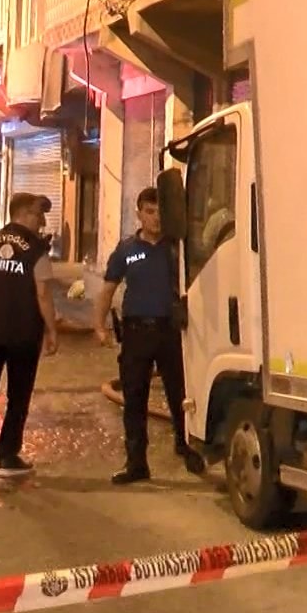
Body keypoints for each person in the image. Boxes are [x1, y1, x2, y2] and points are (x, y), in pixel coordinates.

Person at [95, 187, 206, 484]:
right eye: (149, 211)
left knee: (181, 395)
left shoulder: (178, 249)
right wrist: (99, 326)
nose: (155, 218)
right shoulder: (126, 250)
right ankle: (136, 463)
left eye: (160, 212)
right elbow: (108, 289)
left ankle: (186, 447)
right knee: (134, 398)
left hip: (172, 333)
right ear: (139, 214)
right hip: (136, 333)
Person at [0, 192, 59, 477]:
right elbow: (43, 294)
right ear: (24, 213)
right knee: (18, 395)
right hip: (23, 333)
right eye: (39, 215)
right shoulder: (36, 250)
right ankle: (7, 456)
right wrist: (52, 330)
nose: (42, 222)